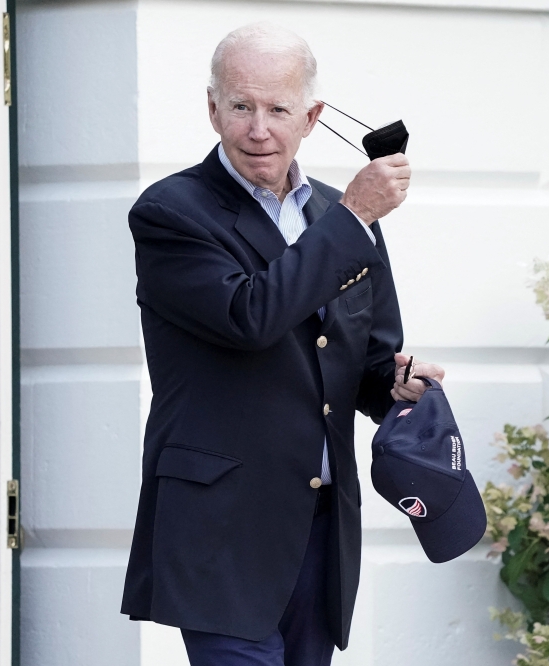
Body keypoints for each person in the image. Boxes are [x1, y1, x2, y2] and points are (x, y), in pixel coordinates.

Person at [121, 22, 445, 666]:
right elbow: (250, 316)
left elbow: (367, 361)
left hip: (321, 525)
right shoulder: (171, 212)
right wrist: (355, 218)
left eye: (278, 109)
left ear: (313, 117)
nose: (258, 129)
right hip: (221, 528)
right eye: (241, 106)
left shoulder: (334, 213)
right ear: (213, 109)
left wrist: (396, 384)